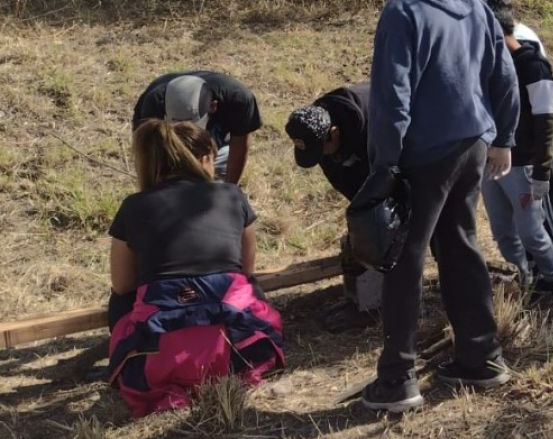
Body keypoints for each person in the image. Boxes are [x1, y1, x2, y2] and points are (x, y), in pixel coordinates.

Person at [362, 0, 520, 412]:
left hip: (425, 154)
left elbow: (392, 100)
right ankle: (481, 358)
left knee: (403, 260)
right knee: (459, 245)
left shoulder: (402, 9)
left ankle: (398, 380)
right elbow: (504, 73)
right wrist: (505, 137)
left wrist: (384, 166)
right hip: (473, 143)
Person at [106, 120, 283, 418]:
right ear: (203, 158)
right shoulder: (232, 195)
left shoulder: (133, 206)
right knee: (246, 285)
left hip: (158, 361)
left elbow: (122, 284)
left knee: (122, 300)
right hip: (238, 352)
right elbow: (247, 268)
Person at [475, 0, 553, 296]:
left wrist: (542, 172)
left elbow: (547, 120)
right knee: (502, 232)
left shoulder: (531, 64)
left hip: (524, 163)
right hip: (491, 161)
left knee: (531, 231)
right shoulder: (483, 65)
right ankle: (524, 280)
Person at [286, 83, 384, 331]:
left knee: (382, 231)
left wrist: (375, 226)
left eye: (322, 151)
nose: (322, 157)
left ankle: (383, 307)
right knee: (364, 232)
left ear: (335, 132)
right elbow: (350, 188)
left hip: (420, 155)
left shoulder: (375, 123)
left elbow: (394, 178)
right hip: (377, 165)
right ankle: (364, 300)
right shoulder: (318, 132)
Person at [132, 71, 262, 183]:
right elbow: (147, 156)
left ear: (213, 106)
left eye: (192, 126)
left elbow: (239, 145)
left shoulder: (238, 99)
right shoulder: (153, 104)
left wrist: (229, 190)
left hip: (219, 147)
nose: (185, 134)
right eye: (177, 126)